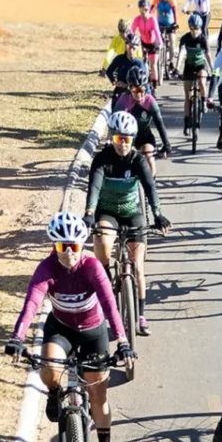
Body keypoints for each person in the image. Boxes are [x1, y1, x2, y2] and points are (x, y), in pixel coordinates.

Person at [4, 212, 133, 442]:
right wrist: (18, 337)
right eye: (62, 247)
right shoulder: (47, 268)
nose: (69, 254)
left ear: (82, 244)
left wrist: (122, 340)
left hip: (93, 332)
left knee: (98, 396)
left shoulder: (92, 267)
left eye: (74, 246)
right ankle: (54, 393)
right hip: (60, 329)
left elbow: (110, 304)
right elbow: (32, 304)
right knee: (49, 370)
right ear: (55, 246)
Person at [83, 111, 171, 338]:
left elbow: (150, 188)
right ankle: (104, 280)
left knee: (138, 266)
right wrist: (89, 213)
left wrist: (158, 214)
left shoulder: (138, 160)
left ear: (133, 140)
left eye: (127, 139)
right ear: (111, 138)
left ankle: (140, 315)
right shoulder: (102, 159)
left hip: (132, 213)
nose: (122, 144)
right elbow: (94, 187)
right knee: (102, 242)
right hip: (108, 212)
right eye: (117, 139)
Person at [114, 63, 172, 178]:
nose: (139, 94)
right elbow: (114, 124)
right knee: (123, 162)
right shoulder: (123, 100)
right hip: (127, 139)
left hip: (145, 138)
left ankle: (151, 186)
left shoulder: (150, 101)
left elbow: (159, 123)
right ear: (129, 88)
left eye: (142, 89)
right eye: (135, 89)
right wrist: (110, 142)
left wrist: (166, 143)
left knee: (149, 156)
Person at [178, 13, 213, 136]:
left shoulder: (203, 39)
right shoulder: (185, 38)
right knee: (187, 96)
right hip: (189, 66)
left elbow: (208, 55)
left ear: (200, 28)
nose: (194, 31)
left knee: (202, 82)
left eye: (197, 28)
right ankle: (186, 124)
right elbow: (182, 53)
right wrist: (177, 68)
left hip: (200, 66)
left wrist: (212, 69)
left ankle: (203, 102)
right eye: (192, 28)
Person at [132, 0, 163, 87]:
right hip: (144, 43)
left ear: (149, 9)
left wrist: (160, 43)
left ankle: (154, 85)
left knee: (153, 65)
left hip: (153, 44)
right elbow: (132, 30)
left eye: (146, 9)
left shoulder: (152, 19)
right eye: (142, 9)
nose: (144, 12)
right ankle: (143, 81)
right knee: (141, 62)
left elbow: (157, 31)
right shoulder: (137, 19)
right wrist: (131, 39)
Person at [152, 0, 179, 71]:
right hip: (160, 23)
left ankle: (171, 62)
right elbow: (151, 11)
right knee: (156, 40)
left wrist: (176, 23)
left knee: (172, 40)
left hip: (170, 24)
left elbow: (175, 12)